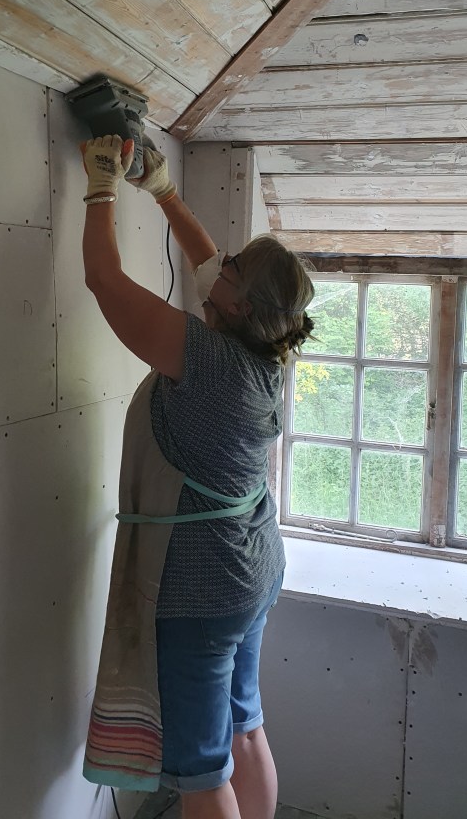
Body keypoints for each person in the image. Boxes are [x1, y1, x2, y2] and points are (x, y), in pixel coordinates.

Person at [80, 133, 315, 819]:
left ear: (239, 305)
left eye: (235, 270)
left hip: (202, 587)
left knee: (202, 772)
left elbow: (105, 281)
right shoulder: (268, 349)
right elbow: (213, 266)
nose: (222, 265)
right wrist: (163, 193)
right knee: (245, 728)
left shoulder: (210, 361)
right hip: (251, 567)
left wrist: (101, 187)